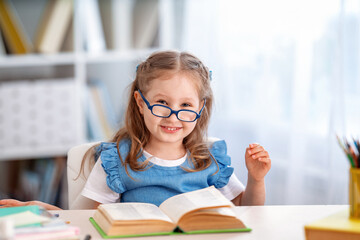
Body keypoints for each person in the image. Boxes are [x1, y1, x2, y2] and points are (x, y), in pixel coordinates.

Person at [0, 50, 271, 210]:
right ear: (141, 103)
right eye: (162, 103)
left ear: (201, 108)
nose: (173, 116)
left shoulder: (210, 158)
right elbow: (84, 220)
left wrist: (256, 179)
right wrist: (35, 210)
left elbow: (249, 213)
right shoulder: (119, 159)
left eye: (186, 105)